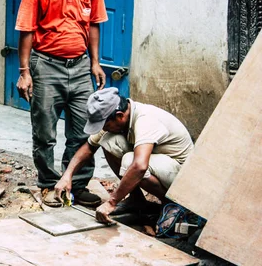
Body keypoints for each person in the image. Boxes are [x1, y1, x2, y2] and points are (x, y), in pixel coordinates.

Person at [15, 0, 107, 207]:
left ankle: (76, 185)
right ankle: (47, 182)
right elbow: (26, 31)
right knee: (45, 132)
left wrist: (95, 62)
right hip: (46, 66)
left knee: (83, 131)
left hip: (80, 67)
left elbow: (93, 24)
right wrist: (24, 72)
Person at [54, 88, 195, 224]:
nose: (103, 128)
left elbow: (139, 166)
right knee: (108, 140)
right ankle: (137, 200)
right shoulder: (117, 119)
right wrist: (67, 176)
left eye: (104, 124)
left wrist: (111, 202)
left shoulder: (145, 120)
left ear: (120, 116)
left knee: (131, 162)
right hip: (160, 163)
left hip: (181, 174)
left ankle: (171, 205)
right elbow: (89, 147)